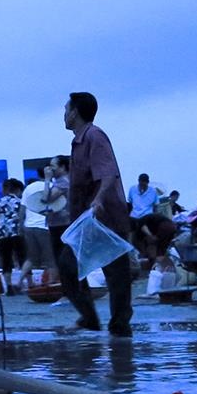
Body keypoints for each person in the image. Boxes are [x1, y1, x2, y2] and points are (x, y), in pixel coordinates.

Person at [59, 92, 135, 337]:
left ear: (75, 112)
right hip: (86, 221)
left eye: (66, 109)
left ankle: (120, 327)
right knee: (68, 267)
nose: (64, 114)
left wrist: (99, 200)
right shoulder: (78, 142)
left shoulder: (95, 136)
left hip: (105, 219)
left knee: (116, 274)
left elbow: (108, 174)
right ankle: (90, 318)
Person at [0, 178, 29, 294]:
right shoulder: (20, 202)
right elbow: (25, 217)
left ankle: (9, 286)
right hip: (17, 232)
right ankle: (28, 283)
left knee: (6, 260)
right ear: (18, 190)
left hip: (2, 233)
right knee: (23, 258)